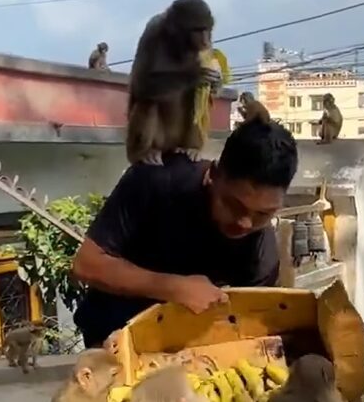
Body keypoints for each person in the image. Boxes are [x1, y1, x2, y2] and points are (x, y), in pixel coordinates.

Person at [71, 120, 298, 347]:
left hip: (191, 351)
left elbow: (247, 331)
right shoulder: (155, 181)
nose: (245, 223)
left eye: (262, 214)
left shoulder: (261, 256)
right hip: (112, 338)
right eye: (234, 205)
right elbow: (87, 264)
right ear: (213, 175)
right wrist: (173, 287)